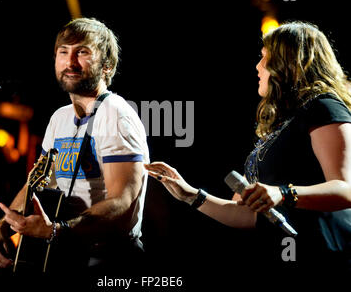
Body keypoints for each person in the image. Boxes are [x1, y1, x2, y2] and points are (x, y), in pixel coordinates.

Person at [145, 21, 351, 278]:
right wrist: (190, 195)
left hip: (324, 255)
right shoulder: (284, 122)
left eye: (265, 58)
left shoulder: (324, 107)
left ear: (289, 62)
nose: (258, 67)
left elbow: (346, 188)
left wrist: (283, 193)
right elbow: (249, 216)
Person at [0, 18, 149, 278]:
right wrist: (1, 229)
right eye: (63, 52)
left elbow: (122, 202)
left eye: (82, 52)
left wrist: (55, 230)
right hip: (65, 258)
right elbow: (38, 182)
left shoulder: (116, 115)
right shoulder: (59, 118)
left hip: (112, 265)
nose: (70, 62)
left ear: (106, 65)